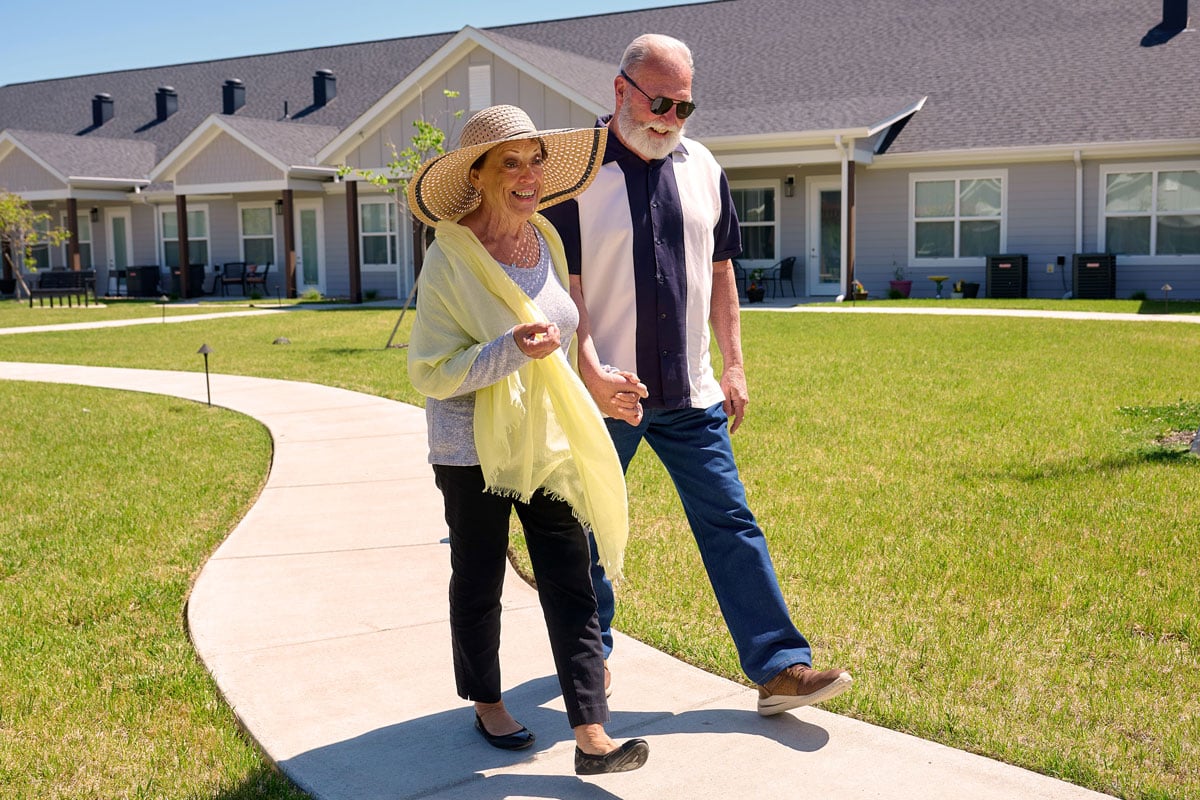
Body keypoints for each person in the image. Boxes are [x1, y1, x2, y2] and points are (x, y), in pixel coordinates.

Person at [541, 34, 853, 716]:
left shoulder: (704, 167)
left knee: (731, 521)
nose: (669, 119)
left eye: (685, 107)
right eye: (659, 102)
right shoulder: (572, 173)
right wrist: (589, 373)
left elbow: (720, 272)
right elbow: (568, 290)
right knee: (583, 526)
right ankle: (590, 651)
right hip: (606, 393)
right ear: (620, 89)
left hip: (692, 393)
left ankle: (780, 668)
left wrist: (735, 363)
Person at [406, 104, 649, 775]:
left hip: (545, 437)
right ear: (477, 177)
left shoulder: (545, 236)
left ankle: (592, 733)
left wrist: (595, 382)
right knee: (480, 577)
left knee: (571, 575)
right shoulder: (449, 258)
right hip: (470, 447)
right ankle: (486, 699)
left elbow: (570, 324)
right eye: (509, 162)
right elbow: (432, 371)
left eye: (535, 159)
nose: (528, 174)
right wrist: (509, 350)